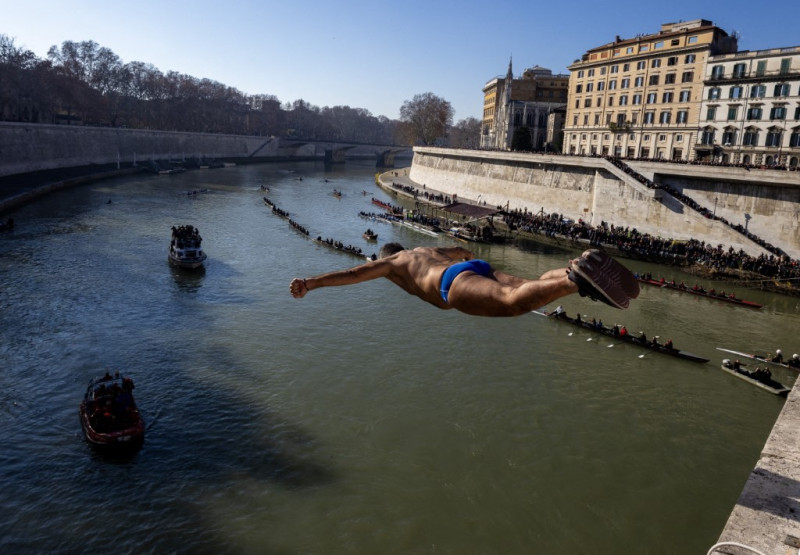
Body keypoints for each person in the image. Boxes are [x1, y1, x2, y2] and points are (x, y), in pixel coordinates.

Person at [290, 244, 639, 317]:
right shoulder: (425, 246)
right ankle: (575, 267)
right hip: (473, 264)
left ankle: (575, 281)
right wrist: (464, 256)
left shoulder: (393, 262)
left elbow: (352, 274)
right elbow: (460, 247)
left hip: (449, 283)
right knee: (525, 285)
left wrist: (311, 282)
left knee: (511, 303)